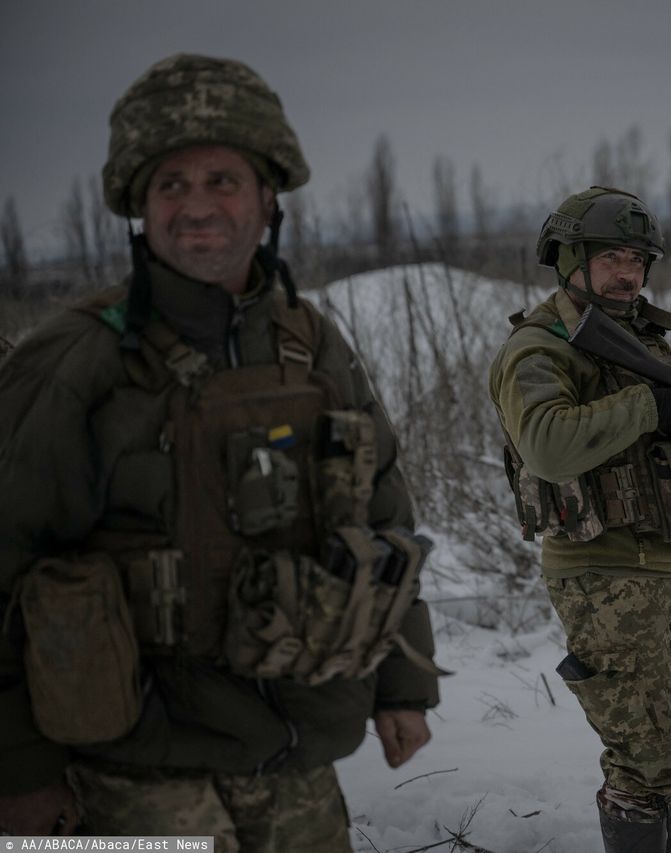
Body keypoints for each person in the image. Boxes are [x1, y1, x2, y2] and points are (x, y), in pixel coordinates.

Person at [0, 54, 443, 850]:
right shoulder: (75, 363)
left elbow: (383, 514)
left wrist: (402, 686)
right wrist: (20, 771)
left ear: (268, 196)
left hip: (296, 747)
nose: (196, 206)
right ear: (139, 204)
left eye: (222, 180)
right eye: (171, 184)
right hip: (131, 764)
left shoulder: (312, 345)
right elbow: (4, 561)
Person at [489, 186, 671, 852]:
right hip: (603, 574)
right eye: (612, 256)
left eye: (639, 259)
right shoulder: (541, 348)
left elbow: (665, 440)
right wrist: (651, 402)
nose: (629, 272)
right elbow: (550, 447)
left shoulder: (641, 337)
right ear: (569, 257)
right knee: (644, 756)